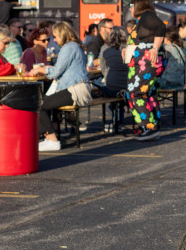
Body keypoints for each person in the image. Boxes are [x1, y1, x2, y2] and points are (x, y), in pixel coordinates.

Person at [28, 22, 92, 152]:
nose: (54, 40)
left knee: (38, 104)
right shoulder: (75, 46)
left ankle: (52, 140)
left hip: (75, 89)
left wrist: (41, 69)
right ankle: (50, 137)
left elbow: (56, 72)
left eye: (55, 37)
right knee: (46, 101)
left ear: (62, 35)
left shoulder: (68, 47)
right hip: (79, 87)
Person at [125, 0, 166, 141]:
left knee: (134, 93)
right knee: (148, 93)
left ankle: (150, 127)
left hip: (147, 62)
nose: (129, 8)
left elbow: (161, 26)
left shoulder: (147, 15)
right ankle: (153, 125)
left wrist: (155, 48)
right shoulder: (143, 18)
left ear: (138, 5)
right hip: (145, 63)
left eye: (131, 5)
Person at [99, 26, 129, 94]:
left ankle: (113, 105)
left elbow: (103, 68)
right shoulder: (128, 48)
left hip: (111, 86)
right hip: (127, 85)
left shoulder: (104, 48)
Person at [158, 25, 186, 90]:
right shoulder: (182, 48)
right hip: (180, 82)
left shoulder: (166, 49)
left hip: (167, 83)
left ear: (166, 38)